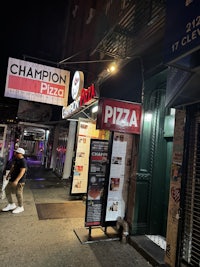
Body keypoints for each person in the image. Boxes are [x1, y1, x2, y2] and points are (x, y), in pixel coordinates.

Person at [2, 147, 27, 214]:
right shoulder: (16, 159)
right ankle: (11, 204)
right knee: (7, 190)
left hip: (20, 181)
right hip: (12, 178)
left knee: (18, 193)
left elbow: (22, 171)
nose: (15, 153)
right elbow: (13, 167)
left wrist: (16, 180)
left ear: (21, 154)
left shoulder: (23, 161)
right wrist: (8, 175)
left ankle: (20, 206)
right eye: (16, 152)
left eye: (17, 153)